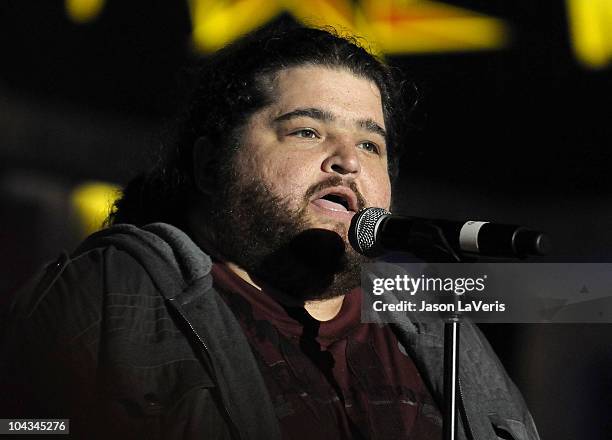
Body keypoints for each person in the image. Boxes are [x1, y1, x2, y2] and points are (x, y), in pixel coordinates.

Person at [1, 24, 539, 439]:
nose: (348, 161)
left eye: (371, 145)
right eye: (307, 131)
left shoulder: (436, 330)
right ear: (212, 165)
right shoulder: (110, 293)